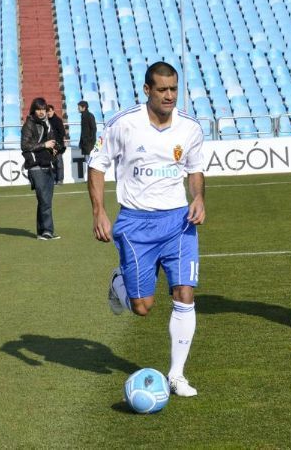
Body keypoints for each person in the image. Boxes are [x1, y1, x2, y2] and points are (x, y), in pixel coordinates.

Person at [87, 61, 206, 396]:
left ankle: (177, 375)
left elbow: (195, 169)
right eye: (163, 90)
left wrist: (198, 199)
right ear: (147, 90)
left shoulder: (190, 128)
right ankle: (118, 282)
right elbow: (96, 165)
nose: (169, 96)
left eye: (174, 89)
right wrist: (99, 211)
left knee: (185, 293)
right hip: (136, 222)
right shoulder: (124, 124)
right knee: (143, 308)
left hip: (178, 222)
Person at [21, 97, 61, 240]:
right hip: (35, 166)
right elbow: (25, 146)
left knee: (46, 200)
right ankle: (48, 231)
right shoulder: (29, 125)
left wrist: (55, 149)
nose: (41, 112)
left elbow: (52, 142)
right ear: (33, 110)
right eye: (38, 109)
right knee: (44, 200)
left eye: (43, 109)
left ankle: (42, 232)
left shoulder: (48, 124)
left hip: (47, 164)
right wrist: (44, 145)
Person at [47, 104, 68, 185]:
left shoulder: (58, 120)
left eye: (50, 111)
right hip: (49, 146)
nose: (48, 113)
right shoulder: (46, 121)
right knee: (52, 164)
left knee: (59, 163)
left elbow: (62, 133)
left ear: (53, 111)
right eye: (47, 111)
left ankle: (60, 180)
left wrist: (56, 145)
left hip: (58, 145)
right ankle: (55, 179)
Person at [78, 100, 97, 167]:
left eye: (79, 107)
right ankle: (90, 176)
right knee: (88, 161)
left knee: (90, 162)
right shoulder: (83, 116)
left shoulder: (89, 116)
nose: (78, 109)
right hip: (85, 142)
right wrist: (81, 142)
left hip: (89, 143)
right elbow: (83, 131)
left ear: (84, 107)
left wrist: (90, 140)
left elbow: (94, 128)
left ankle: (92, 176)